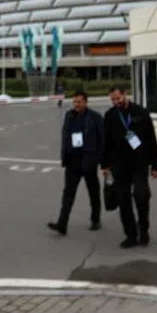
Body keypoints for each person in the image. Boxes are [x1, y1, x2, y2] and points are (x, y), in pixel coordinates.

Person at [100, 85, 157, 249]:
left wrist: (155, 165)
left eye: (118, 98)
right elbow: (105, 141)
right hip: (118, 165)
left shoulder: (141, 113)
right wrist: (104, 164)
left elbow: (151, 139)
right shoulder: (110, 115)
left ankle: (144, 229)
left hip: (139, 163)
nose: (116, 102)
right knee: (123, 200)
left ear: (125, 94)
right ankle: (130, 234)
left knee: (142, 196)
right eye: (113, 99)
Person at [47, 91, 105, 235]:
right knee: (68, 193)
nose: (76, 105)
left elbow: (102, 139)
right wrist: (65, 156)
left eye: (79, 102)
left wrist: (100, 160)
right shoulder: (69, 115)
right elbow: (65, 136)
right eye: (75, 102)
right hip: (72, 161)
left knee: (93, 192)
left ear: (85, 102)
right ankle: (62, 224)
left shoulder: (95, 117)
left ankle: (95, 219)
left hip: (88, 161)